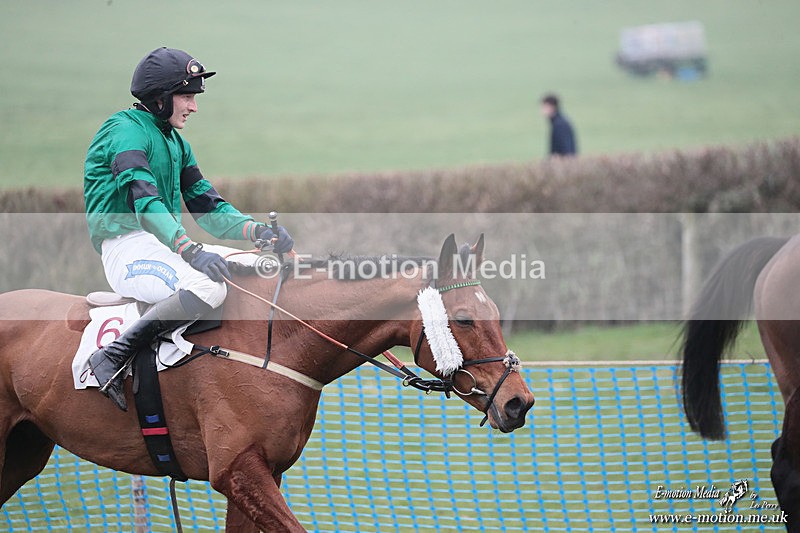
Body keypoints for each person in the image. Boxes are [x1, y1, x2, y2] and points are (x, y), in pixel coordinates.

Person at [84, 47, 294, 411]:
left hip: (164, 245)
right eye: (187, 96)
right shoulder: (124, 132)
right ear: (160, 98)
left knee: (262, 267)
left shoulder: (176, 142)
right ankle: (111, 357)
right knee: (206, 285)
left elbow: (208, 208)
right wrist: (190, 250)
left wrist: (259, 233)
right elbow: (145, 204)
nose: (193, 106)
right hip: (126, 248)